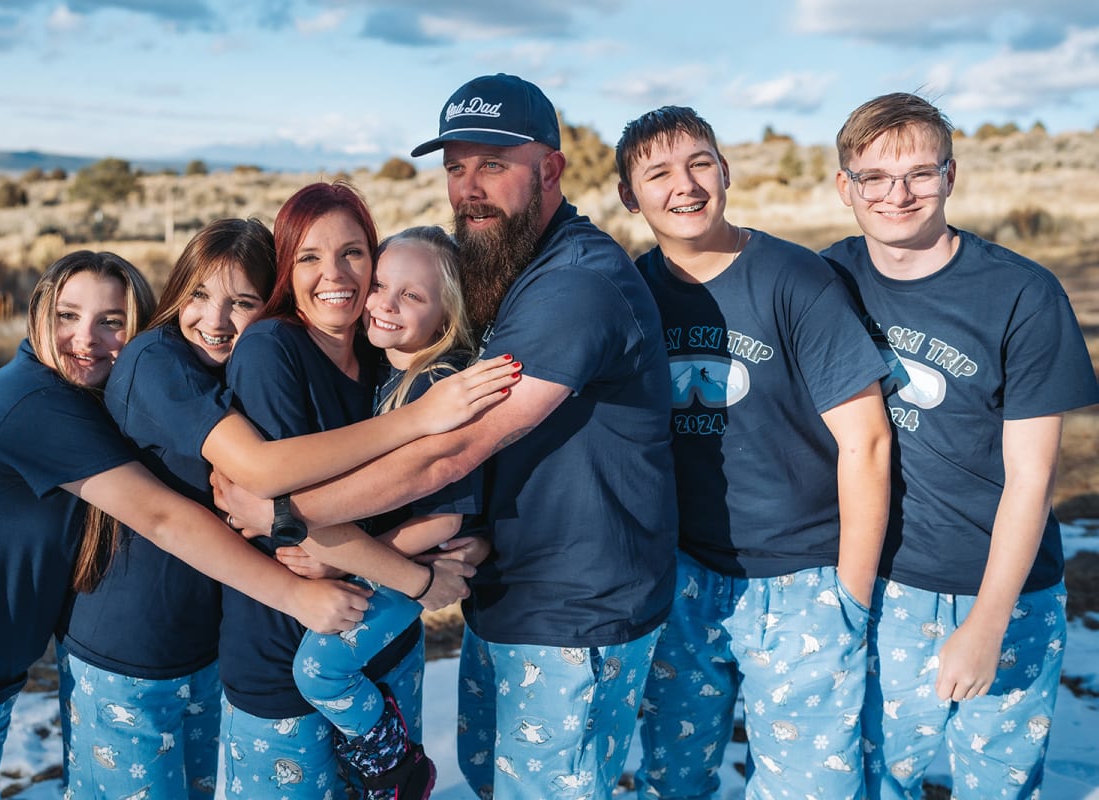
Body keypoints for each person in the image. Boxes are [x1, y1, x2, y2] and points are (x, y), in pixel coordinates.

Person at [215, 74, 678, 799]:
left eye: (492, 164)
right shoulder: (509, 270)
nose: (469, 187)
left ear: (550, 168)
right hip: (508, 598)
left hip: (576, 616)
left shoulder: (575, 286)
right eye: (456, 167)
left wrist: (283, 513)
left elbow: (450, 450)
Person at [52, 222, 511, 798]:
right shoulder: (160, 362)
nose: (216, 320)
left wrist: (472, 538)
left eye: (242, 301)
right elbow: (259, 478)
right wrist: (408, 575)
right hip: (136, 644)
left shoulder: (365, 361)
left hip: (206, 645)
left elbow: (426, 489)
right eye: (199, 294)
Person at [0, 251, 373, 800]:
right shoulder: (33, 403)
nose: (86, 339)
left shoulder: (90, 399)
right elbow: (161, 517)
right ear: (38, 315)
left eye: (111, 321)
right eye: (67, 315)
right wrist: (295, 595)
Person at [822, 92, 1099, 799]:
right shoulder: (826, 281)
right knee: (880, 778)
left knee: (998, 789)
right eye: (875, 177)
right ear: (844, 186)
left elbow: (1033, 480)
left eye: (920, 172)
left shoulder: (1022, 295)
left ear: (952, 175)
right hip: (882, 587)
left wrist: (988, 621)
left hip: (1002, 590)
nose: (898, 193)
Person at [614, 105, 893, 799]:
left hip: (802, 581)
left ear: (726, 170)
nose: (684, 185)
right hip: (680, 578)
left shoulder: (795, 278)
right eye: (658, 173)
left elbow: (867, 440)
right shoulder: (629, 294)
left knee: (810, 789)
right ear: (630, 195)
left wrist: (849, 597)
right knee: (672, 780)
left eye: (699, 163)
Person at [291, 225, 487, 799]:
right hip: (391, 567)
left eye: (413, 296)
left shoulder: (439, 384)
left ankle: (397, 765)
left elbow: (445, 519)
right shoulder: (389, 374)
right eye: (380, 285)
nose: (384, 303)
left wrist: (350, 566)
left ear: (446, 315)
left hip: (410, 571)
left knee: (318, 671)